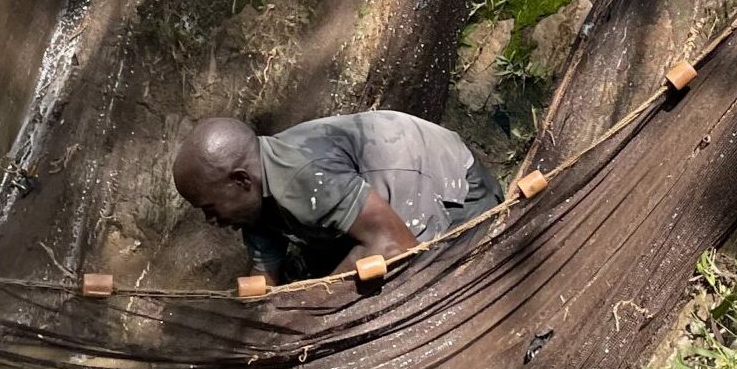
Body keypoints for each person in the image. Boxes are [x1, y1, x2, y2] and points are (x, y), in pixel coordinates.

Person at [171, 111, 502, 284]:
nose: (210, 221)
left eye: (210, 209)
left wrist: (313, 312)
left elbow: (396, 246)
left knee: (428, 282)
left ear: (241, 181)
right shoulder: (253, 200)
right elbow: (266, 278)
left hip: (452, 189)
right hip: (379, 207)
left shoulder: (302, 176)